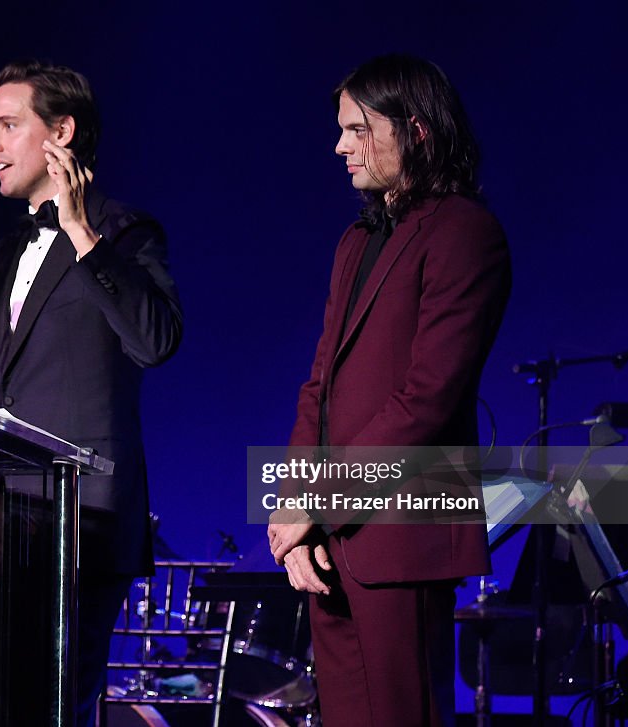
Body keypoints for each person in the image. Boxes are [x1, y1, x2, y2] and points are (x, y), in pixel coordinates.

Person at [0, 59, 182, 726]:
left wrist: (83, 234)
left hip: (84, 523)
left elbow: (156, 341)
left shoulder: (125, 232)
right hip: (2, 529)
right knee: (7, 710)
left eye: (7, 125)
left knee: (55, 709)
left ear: (62, 132)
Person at [268, 55, 511, 727]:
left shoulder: (465, 232)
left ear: (417, 131)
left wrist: (316, 502)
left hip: (402, 531)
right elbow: (319, 383)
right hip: (331, 534)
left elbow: (426, 399)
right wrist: (295, 513)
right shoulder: (356, 239)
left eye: (356, 129)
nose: (339, 145)